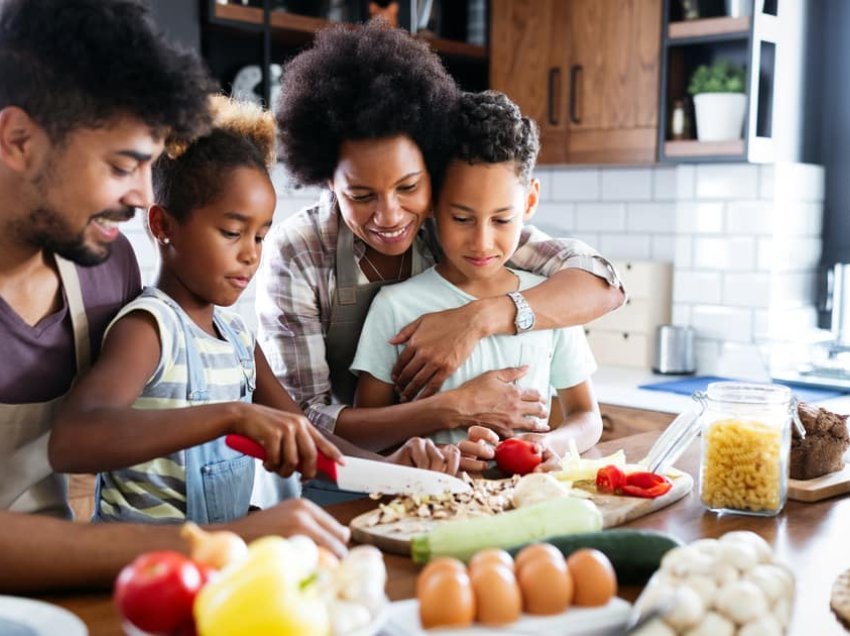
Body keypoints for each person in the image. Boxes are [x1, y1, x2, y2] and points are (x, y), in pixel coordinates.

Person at [0, 0, 345, 593]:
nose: (139, 197)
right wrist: (225, 540)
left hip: (79, 597)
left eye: (150, 167)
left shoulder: (105, 267)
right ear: (18, 139)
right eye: (121, 165)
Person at [49, 96, 461, 525]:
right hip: (145, 568)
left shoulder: (238, 339)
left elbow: (308, 435)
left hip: (219, 562)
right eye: (232, 232)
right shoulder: (150, 329)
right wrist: (232, 415)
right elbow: (73, 439)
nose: (251, 255)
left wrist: (394, 468)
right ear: (163, 226)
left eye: (260, 236)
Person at [257, 21, 623, 463]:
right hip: (326, 480)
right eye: (361, 195)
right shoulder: (299, 251)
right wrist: (452, 409)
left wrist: (477, 319)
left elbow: (603, 284)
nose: (389, 216)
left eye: (408, 187)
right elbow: (305, 419)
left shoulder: (457, 224)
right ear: (327, 181)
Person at [352, 91, 602, 470]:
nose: (483, 242)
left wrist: (554, 442)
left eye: (502, 220)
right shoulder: (395, 306)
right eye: (463, 219)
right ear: (433, 203)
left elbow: (587, 416)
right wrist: (426, 457)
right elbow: (365, 436)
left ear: (530, 201)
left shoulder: (547, 302)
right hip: (429, 507)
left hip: (525, 503)